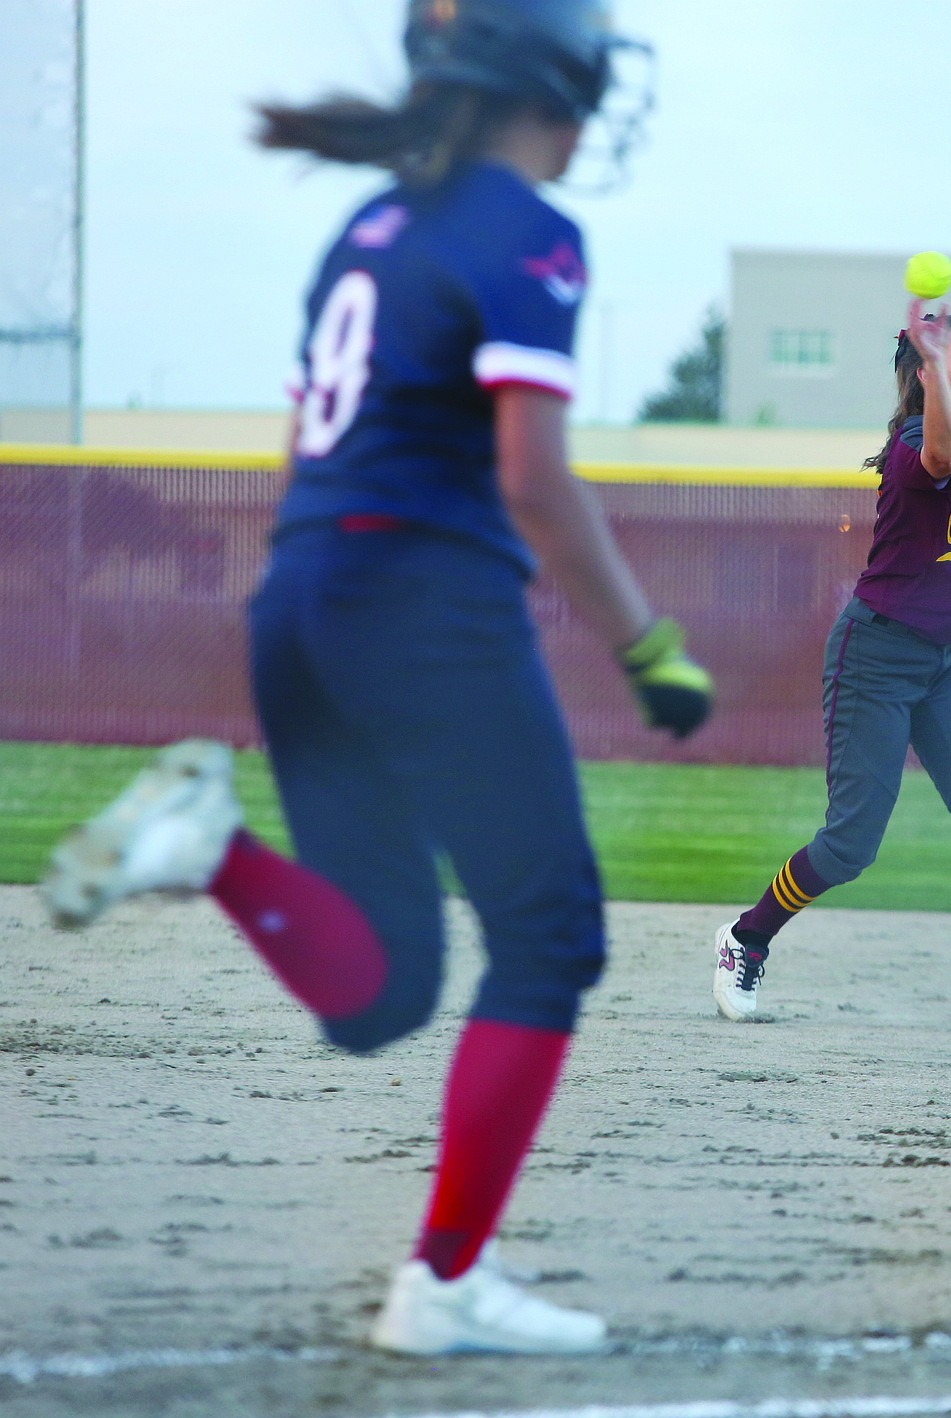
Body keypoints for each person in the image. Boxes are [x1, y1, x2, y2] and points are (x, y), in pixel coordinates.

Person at [41, 0, 712, 1356]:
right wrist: (645, 644)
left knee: (382, 991)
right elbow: (532, 476)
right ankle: (447, 1281)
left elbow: (310, 456)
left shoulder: (363, 232)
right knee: (549, 934)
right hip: (421, 602)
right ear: (556, 85)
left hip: (300, 599)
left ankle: (210, 845)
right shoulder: (529, 229)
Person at [713, 298, 951, 1036]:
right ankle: (745, 939)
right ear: (927, 373)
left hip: (943, 663)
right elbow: (938, 458)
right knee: (850, 845)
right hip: (874, 655)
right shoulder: (915, 446)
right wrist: (936, 366)